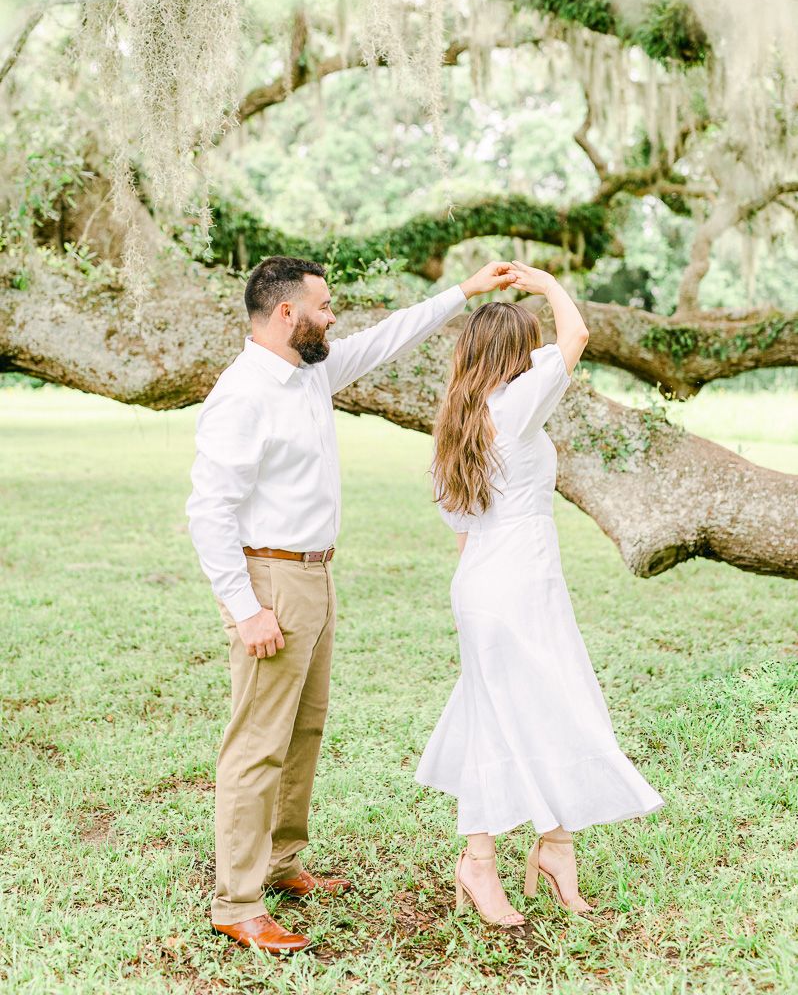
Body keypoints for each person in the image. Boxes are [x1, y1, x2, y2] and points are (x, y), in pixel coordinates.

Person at [186, 253, 515, 954]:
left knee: (303, 731)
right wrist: (246, 608)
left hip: (315, 577)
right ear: (287, 313)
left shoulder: (311, 371)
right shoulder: (244, 394)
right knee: (257, 745)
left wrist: (465, 290)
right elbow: (208, 511)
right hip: (270, 580)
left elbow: (389, 337)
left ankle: (281, 863)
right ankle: (237, 902)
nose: (334, 318)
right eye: (325, 306)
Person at [415, 260, 664, 930]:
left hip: (489, 582)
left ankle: (552, 847)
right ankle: (483, 861)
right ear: (512, 355)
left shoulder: (460, 421)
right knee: (532, 709)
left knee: (526, 707)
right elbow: (576, 336)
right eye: (527, 348)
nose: (536, 358)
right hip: (518, 582)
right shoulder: (515, 406)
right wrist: (547, 284)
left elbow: (463, 531)